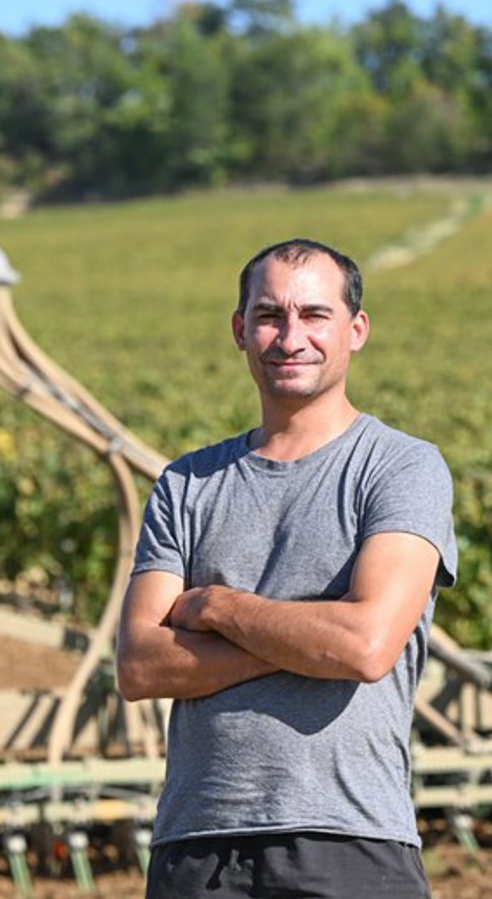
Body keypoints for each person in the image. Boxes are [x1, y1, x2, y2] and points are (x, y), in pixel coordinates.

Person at [116, 238, 458, 898]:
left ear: (355, 330)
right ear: (240, 330)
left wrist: (217, 609)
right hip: (197, 848)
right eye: (270, 315)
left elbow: (365, 647)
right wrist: (309, 636)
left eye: (314, 315)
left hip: (349, 842)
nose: (290, 336)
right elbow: (140, 666)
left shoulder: (401, 468)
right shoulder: (187, 483)